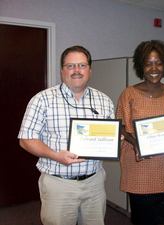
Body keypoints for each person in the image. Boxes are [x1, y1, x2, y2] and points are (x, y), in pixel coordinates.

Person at [18, 45, 114, 225]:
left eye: (82, 65)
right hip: (58, 184)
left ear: (90, 69)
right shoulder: (42, 99)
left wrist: (115, 140)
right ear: (62, 70)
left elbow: (109, 135)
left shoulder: (104, 100)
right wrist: (55, 155)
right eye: (70, 66)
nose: (77, 70)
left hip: (94, 183)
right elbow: (25, 139)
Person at [116, 40, 164, 225]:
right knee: (143, 220)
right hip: (139, 169)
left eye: (159, 62)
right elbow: (120, 126)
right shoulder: (129, 94)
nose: (154, 68)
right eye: (148, 63)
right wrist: (135, 141)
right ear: (141, 66)